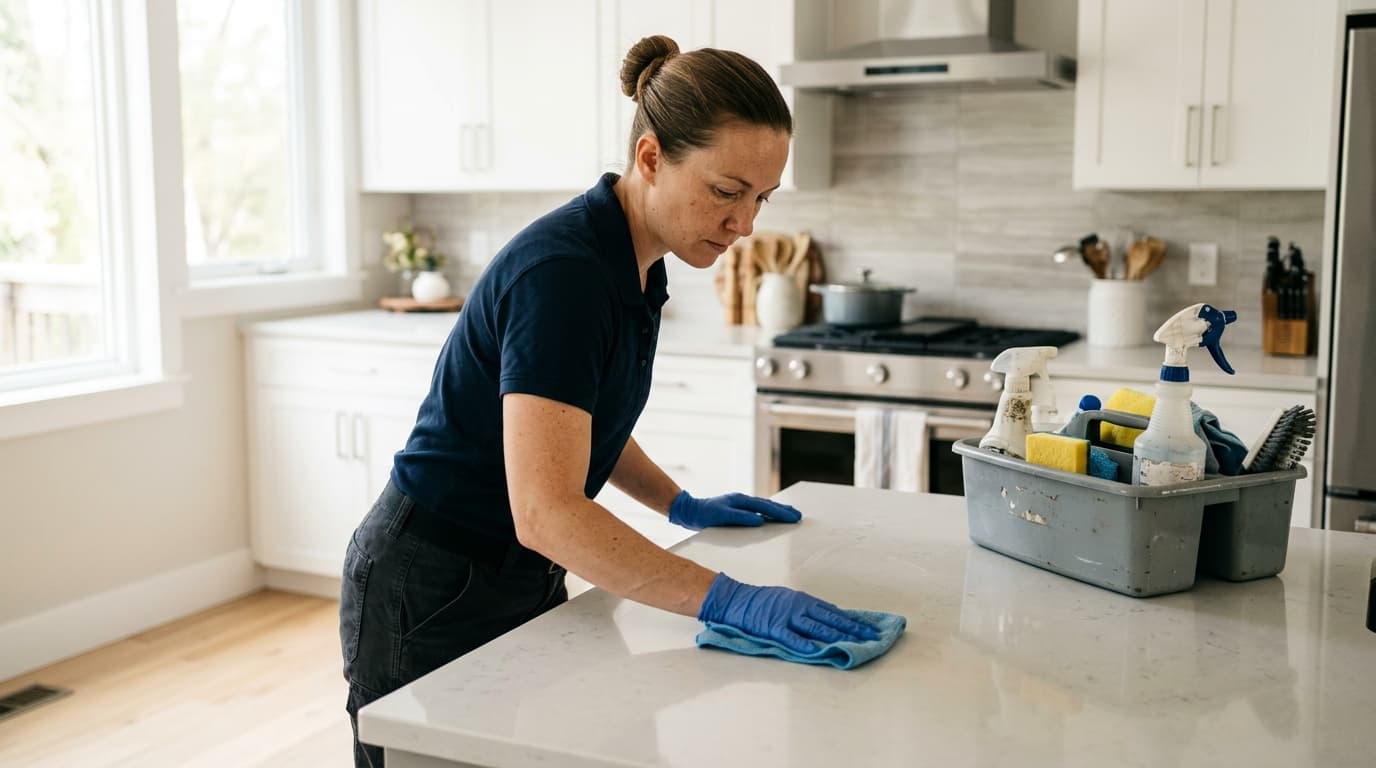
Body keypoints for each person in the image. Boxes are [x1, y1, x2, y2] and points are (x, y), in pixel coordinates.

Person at [338, 35, 880, 767]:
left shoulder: (635, 259)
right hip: (431, 580)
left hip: (516, 571)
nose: (746, 224)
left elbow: (574, 420)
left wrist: (677, 503)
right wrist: (731, 600)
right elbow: (547, 511)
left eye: (761, 198)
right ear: (652, 157)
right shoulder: (564, 274)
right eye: (726, 191)